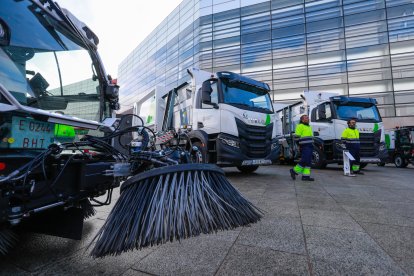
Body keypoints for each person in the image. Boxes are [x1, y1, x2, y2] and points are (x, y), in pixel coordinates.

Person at [290, 114, 315, 181]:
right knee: (305, 160)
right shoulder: (300, 126)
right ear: (302, 120)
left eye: (308, 118)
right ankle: (294, 171)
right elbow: (296, 137)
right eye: (306, 118)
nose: (308, 119)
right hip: (304, 146)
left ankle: (305, 176)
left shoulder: (309, 127)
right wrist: (299, 146)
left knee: (308, 161)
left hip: (310, 145)